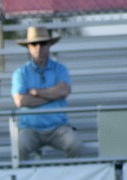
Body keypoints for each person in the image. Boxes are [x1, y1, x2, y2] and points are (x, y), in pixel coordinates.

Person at [11, 26, 83, 160]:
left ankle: (71, 179)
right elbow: (21, 101)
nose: (39, 47)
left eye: (43, 43)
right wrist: (53, 96)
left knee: (75, 145)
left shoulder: (60, 69)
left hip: (58, 128)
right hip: (30, 129)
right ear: (28, 47)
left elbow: (65, 90)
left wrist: (36, 93)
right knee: (18, 148)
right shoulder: (21, 73)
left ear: (49, 45)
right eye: (34, 44)